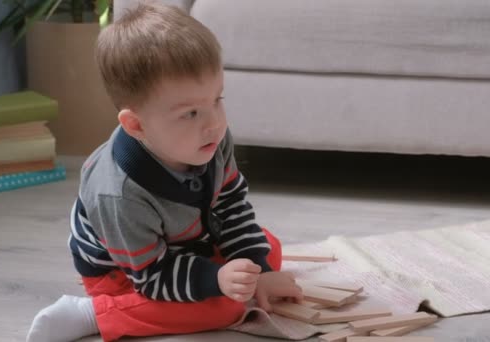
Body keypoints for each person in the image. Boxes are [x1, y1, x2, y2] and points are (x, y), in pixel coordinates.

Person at [26, 3, 302, 342]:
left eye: (218, 99)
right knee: (226, 305)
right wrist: (217, 280)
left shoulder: (211, 139)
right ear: (136, 125)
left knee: (265, 248)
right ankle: (93, 314)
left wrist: (260, 270)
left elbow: (230, 206)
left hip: (184, 243)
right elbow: (152, 275)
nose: (214, 123)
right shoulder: (118, 193)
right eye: (190, 114)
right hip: (127, 271)